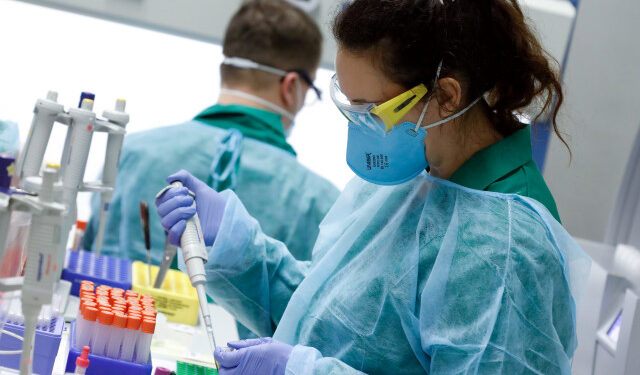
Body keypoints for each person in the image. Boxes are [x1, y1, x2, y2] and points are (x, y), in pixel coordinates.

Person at [156, 0, 590, 374]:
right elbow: (328, 316)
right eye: (351, 105)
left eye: (371, 111)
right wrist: (235, 247)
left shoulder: (505, 250)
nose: (360, 127)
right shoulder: (413, 177)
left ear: (447, 95)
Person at [84, 0, 339, 267]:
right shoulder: (319, 203)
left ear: (227, 68)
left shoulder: (129, 154)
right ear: (292, 86)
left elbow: (87, 260)